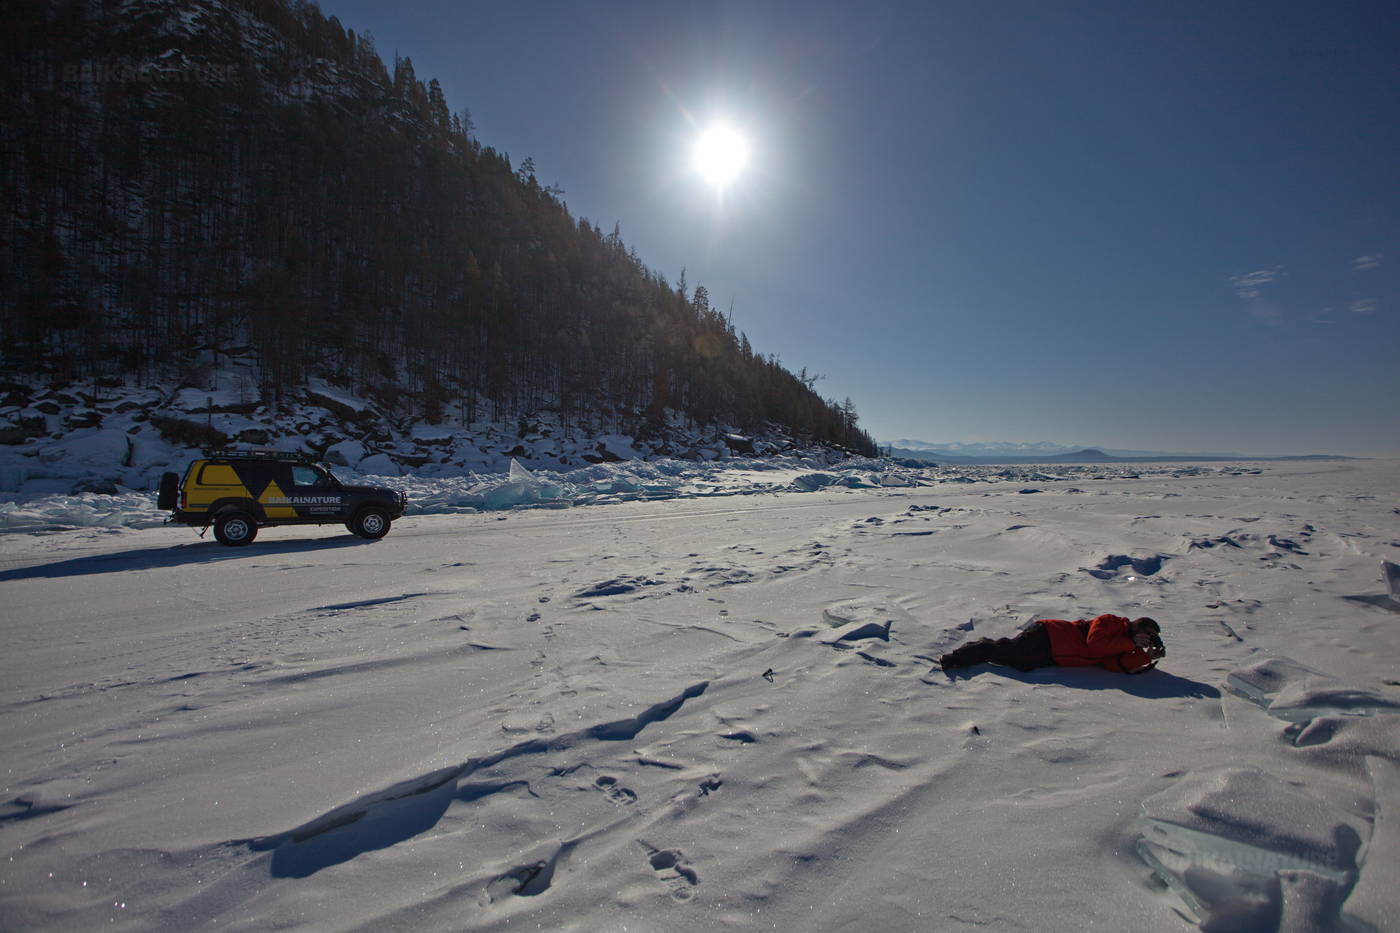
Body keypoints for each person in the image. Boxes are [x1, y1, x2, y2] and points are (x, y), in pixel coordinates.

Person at [939, 615, 1164, 675]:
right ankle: (956, 658)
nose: (1148, 639)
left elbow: (1113, 666)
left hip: (1056, 655)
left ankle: (984, 648)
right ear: (1137, 625)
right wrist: (1129, 642)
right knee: (1007, 652)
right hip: (1049, 635)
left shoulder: (1126, 646)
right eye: (1148, 633)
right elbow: (1095, 644)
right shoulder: (1111, 622)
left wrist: (1146, 657)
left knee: (1021, 664)